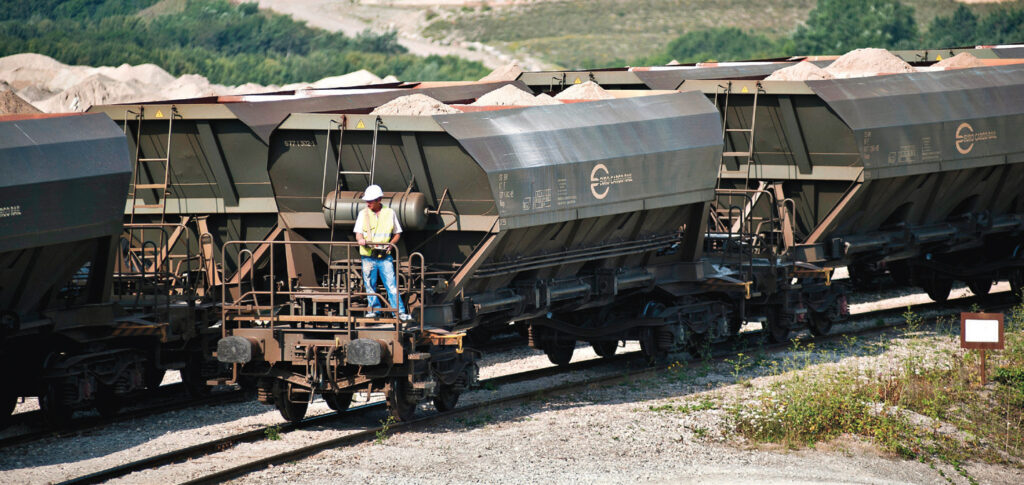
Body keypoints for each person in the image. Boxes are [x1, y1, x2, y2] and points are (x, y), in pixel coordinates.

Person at [354, 184, 411, 321]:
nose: (368, 203)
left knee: (391, 285)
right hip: (368, 256)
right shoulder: (363, 214)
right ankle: (374, 310)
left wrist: (391, 244)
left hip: (385, 256)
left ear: (379, 199)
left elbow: (397, 233)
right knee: (369, 285)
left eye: (371, 201)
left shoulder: (390, 213)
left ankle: (399, 312)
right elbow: (358, 233)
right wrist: (360, 239)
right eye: (367, 201)